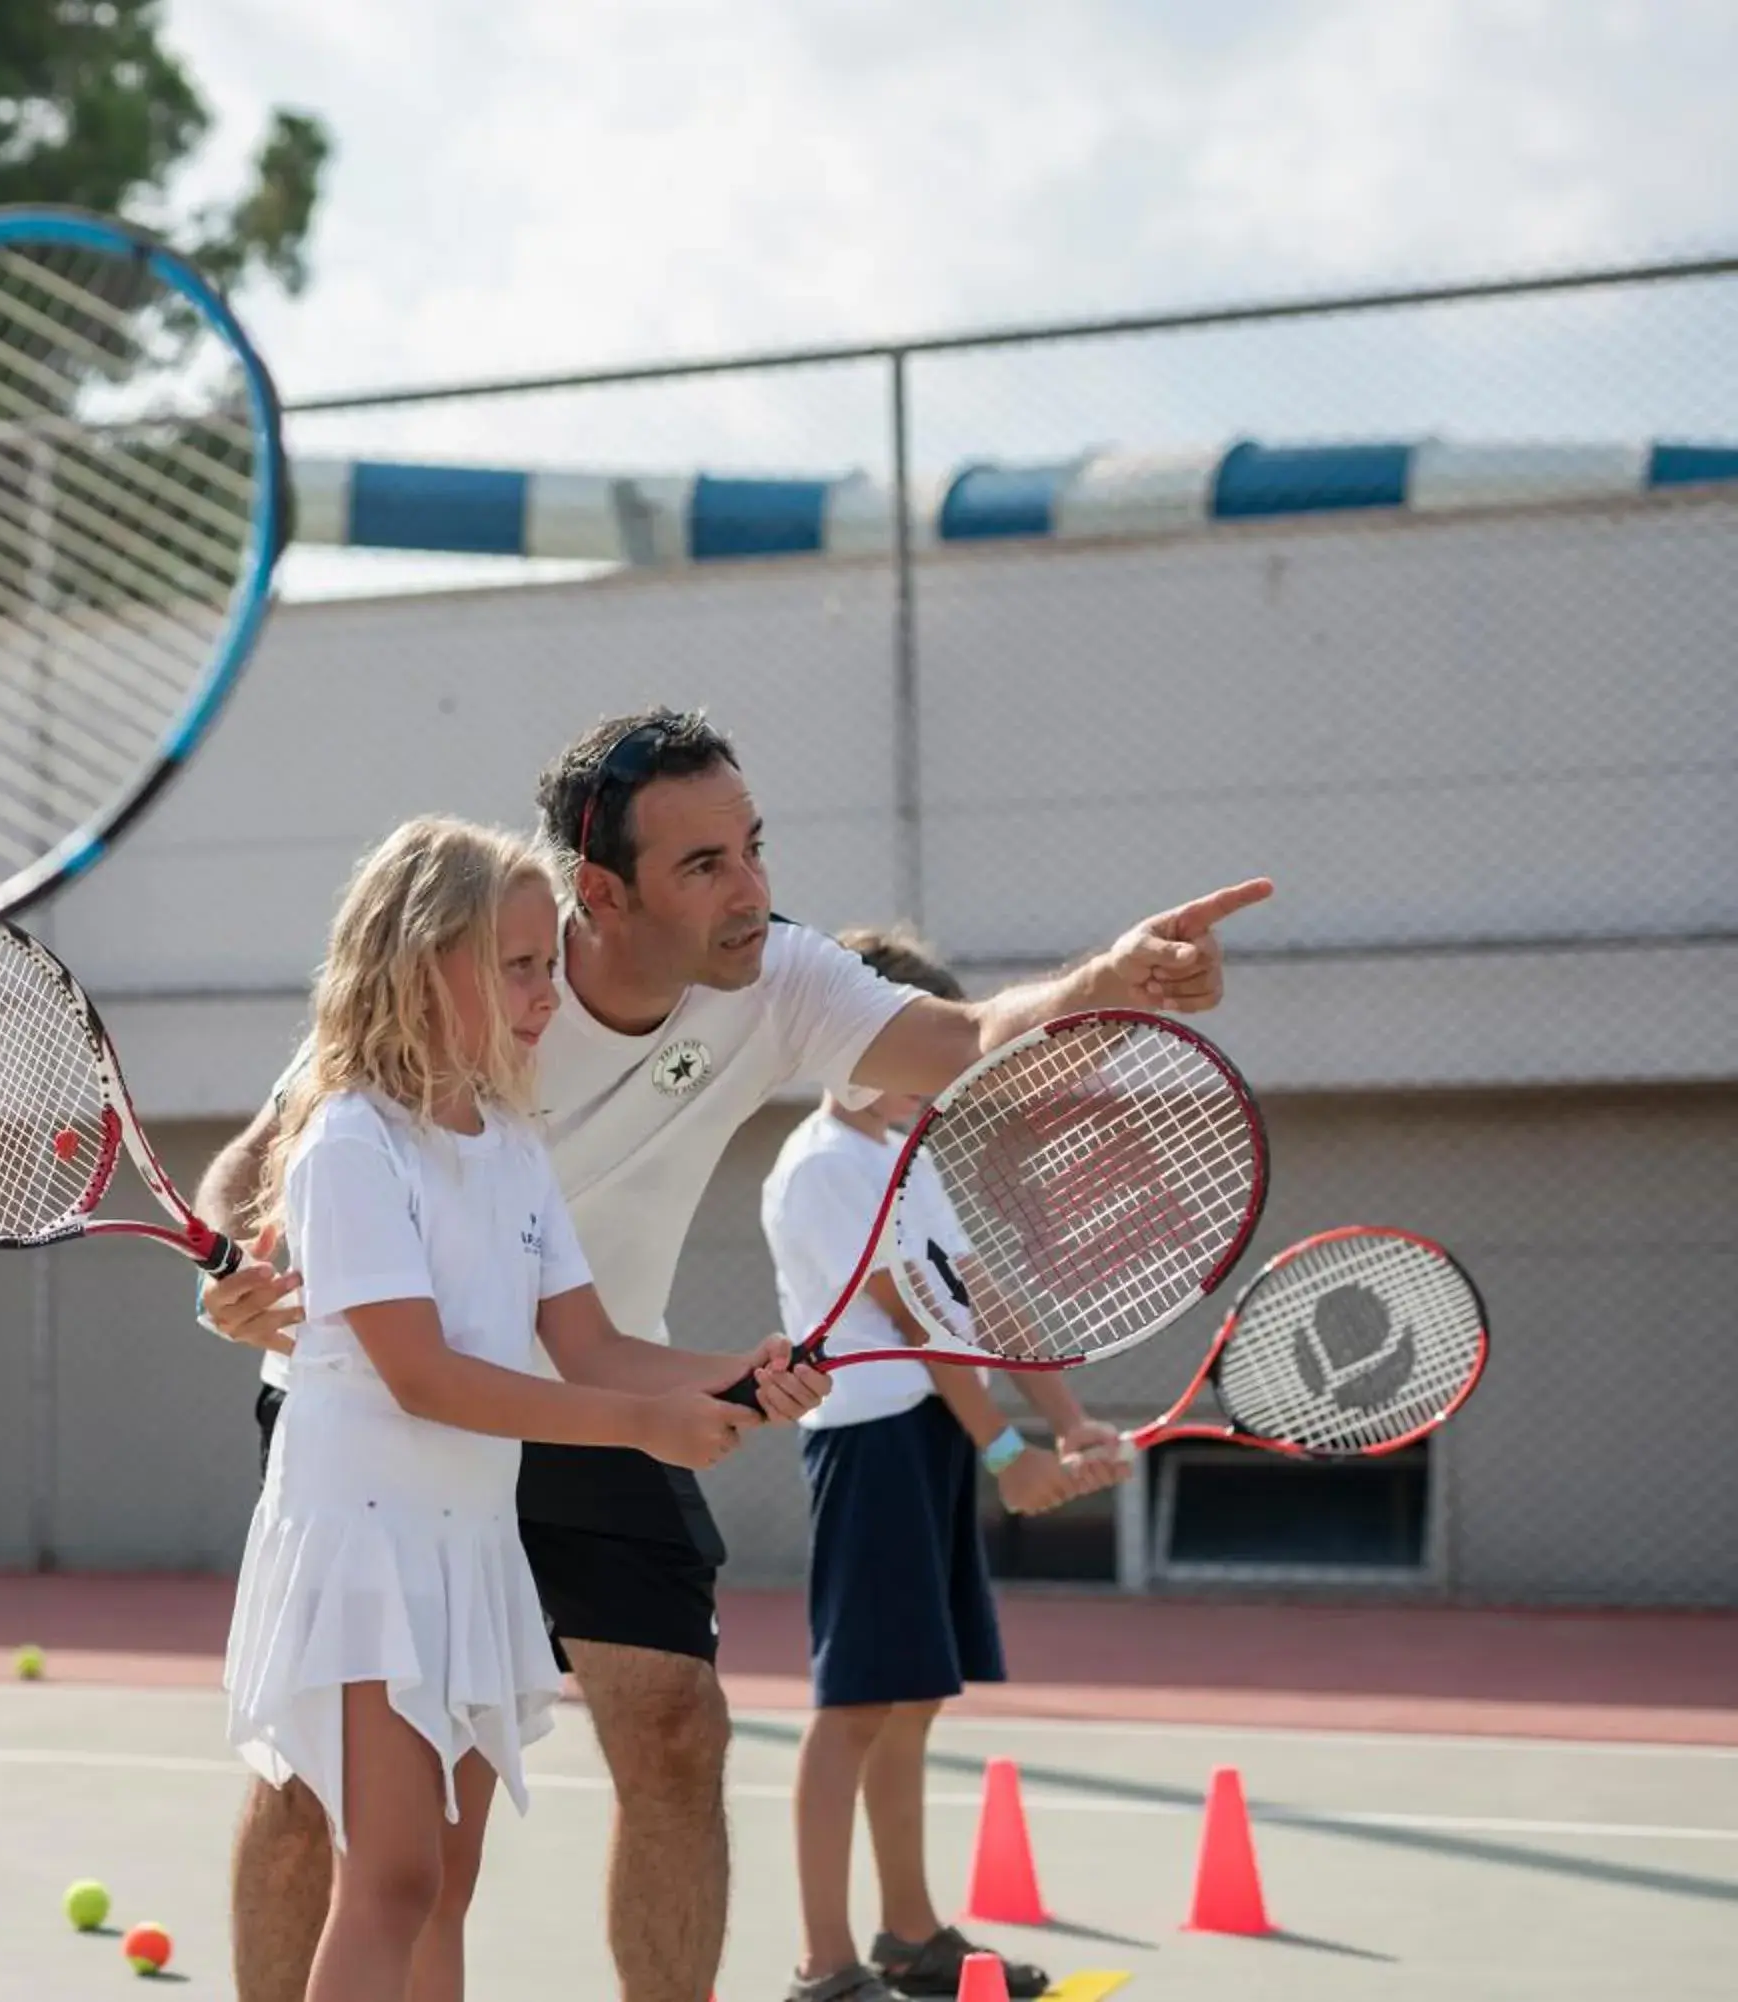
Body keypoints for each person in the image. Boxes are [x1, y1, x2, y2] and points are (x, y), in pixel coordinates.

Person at [197, 707, 1270, 2002]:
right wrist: (249, 1278)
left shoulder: (776, 978)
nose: (750, 887)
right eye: (703, 865)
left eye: (752, 846)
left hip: (595, 1376)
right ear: (604, 891)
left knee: (668, 1725)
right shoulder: (459, 984)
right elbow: (258, 1171)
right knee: (333, 1806)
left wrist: (1114, 975)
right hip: (384, 1421)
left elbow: (973, 1038)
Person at [224, 815, 789, 2002]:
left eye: (548, 960)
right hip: (367, 1541)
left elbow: (588, 1344)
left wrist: (733, 1374)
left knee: (443, 1877)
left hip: (471, 1545)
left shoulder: (512, 1143)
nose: (549, 992)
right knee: (387, 1878)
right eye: (521, 965)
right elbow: (421, 1374)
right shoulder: (347, 1143)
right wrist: (646, 1428)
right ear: (424, 964)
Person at [764, 927, 1130, 2002]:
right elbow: (919, 1321)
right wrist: (1010, 1448)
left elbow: (982, 1300)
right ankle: (824, 1966)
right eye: (912, 1055)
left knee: (912, 1694)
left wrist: (1071, 1421)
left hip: (925, 1436)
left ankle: (911, 1933)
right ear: (848, 1044)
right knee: (855, 1706)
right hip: (868, 1443)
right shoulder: (826, 1166)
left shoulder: (901, 1154)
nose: (932, 1081)